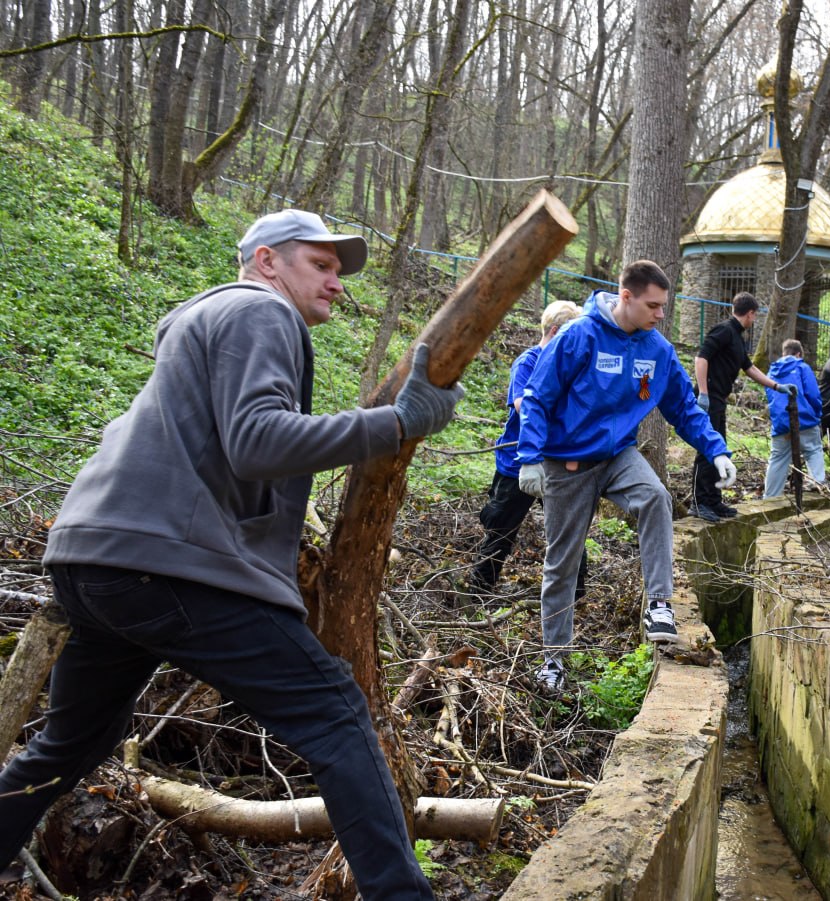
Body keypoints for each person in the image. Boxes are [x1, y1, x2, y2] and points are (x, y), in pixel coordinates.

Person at [0, 210, 462, 900]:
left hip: (91, 561)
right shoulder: (258, 311)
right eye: (321, 264)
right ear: (267, 260)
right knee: (336, 712)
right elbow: (258, 439)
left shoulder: (205, 321)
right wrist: (395, 423)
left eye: (339, 271)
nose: (337, 283)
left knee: (70, 745)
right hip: (162, 564)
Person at [515, 261, 735, 692]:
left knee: (656, 496)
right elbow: (537, 397)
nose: (660, 314)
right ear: (626, 296)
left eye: (664, 306)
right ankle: (554, 661)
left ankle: (659, 604)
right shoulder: (578, 336)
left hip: (618, 455)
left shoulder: (656, 349)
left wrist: (716, 450)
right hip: (567, 463)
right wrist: (530, 457)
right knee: (562, 564)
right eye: (652, 305)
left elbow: (684, 407)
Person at [470, 301, 587, 599]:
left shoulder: (571, 367)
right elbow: (524, 406)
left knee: (569, 528)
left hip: (558, 461)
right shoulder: (528, 362)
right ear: (556, 331)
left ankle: (575, 595)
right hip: (517, 462)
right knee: (500, 529)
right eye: (571, 336)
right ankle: (479, 590)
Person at [692, 292, 787, 521]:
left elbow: (749, 368)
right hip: (709, 398)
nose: (754, 320)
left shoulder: (737, 337)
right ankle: (699, 502)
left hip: (719, 399)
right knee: (707, 449)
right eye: (755, 316)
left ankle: (713, 501)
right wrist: (703, 393)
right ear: (750, 313)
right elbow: (701, 358)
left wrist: (776, 386)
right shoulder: (724, 330)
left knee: (718, 448)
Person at [763, 339, 825, 498]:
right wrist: (817, 414)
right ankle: (817, 485)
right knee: (813, 450)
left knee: (778, 459)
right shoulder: (802, 367)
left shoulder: (771, 372)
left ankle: (770, 497)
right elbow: (813, 394)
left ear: (784, 353)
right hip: (805, 420)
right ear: (798, 354)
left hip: (781, 424)